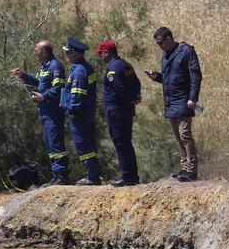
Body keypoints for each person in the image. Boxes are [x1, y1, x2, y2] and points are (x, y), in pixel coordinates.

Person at [146, 27, 202, 182]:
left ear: (169, 39)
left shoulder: (186, 51)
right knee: (178, 136)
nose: (159, 46)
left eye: (160, 43)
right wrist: (157, 77)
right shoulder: (165, 56)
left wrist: (193, 98)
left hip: (184, 100)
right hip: (171, 102)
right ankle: (185, 167)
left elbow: (196, 75)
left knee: (185, 135)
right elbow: (169, 78)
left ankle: (191, 170)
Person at [11, 40, 69, 186]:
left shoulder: (55, 66)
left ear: (44, 52)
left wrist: (43, 96)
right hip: (45, 112)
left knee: (56, 144)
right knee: (50, 144)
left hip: (53, 111)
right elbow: (38, 80)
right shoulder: (45, 66)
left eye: (36, 50)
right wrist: (23, 75)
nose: (34, 52)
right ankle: (56, 175)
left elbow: (58, 88)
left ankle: (62, 175)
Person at [94, 40, 142, 187]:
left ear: (107, 53)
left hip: (117, 110)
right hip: (126, 109)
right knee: (126, 142)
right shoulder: (125, 65)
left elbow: (120, 90)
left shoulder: (113, 68)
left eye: (100, 54)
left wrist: (130, 99)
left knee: (120, 142)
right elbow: (137, 83)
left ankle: (126, 176)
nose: (100, 57)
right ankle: (132, 176)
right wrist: (135, 97)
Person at [61, 37, 102, 186]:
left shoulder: (79, 72)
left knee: (82, 144)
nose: (67, 56)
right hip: (86, 113)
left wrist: (71, 110)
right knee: (87, 142)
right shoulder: (84, 68)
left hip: (80, 115)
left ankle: (92, 176)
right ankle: (93, 174)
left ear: (76, 54)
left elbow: (77, 94)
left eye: (68, 53)